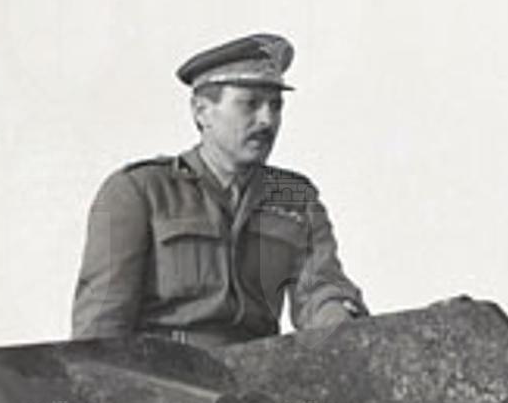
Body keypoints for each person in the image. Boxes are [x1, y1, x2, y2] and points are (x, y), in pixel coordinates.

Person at [71, 32, 366, 345]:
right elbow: (101, 325)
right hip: (162, 369)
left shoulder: (295, 198)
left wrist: (341, 322)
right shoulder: (138, 192)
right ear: (201, 111)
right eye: (250, 104)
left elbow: (320, 289)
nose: (267, 120)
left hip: (260, 368)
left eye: (276, 106)